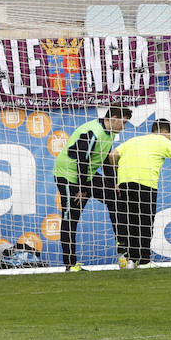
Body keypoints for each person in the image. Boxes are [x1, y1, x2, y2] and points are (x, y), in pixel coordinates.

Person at [108, 119, 171, 268]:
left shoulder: (134, 140)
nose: (170, 138)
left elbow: (112, 155)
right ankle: (144, 261)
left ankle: (131, 259)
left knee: (131, 222)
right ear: (164, 132)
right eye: (170, 135)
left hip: (124, 183)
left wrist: (117, 177)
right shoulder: (163, 141)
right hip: (145, 184)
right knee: (145, 222)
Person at [52, 106, 132, 272]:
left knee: (116, 198)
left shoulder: (109, 134)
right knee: (71, 217)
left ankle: (122, 247)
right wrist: (81, 188)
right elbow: (82, 159)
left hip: (86, 175)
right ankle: (70, 264)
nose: (124, 127)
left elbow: (104, 160)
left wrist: (113, 183)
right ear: (114, 118)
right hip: (68, 176)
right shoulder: (93, 131)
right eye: (123, 122)